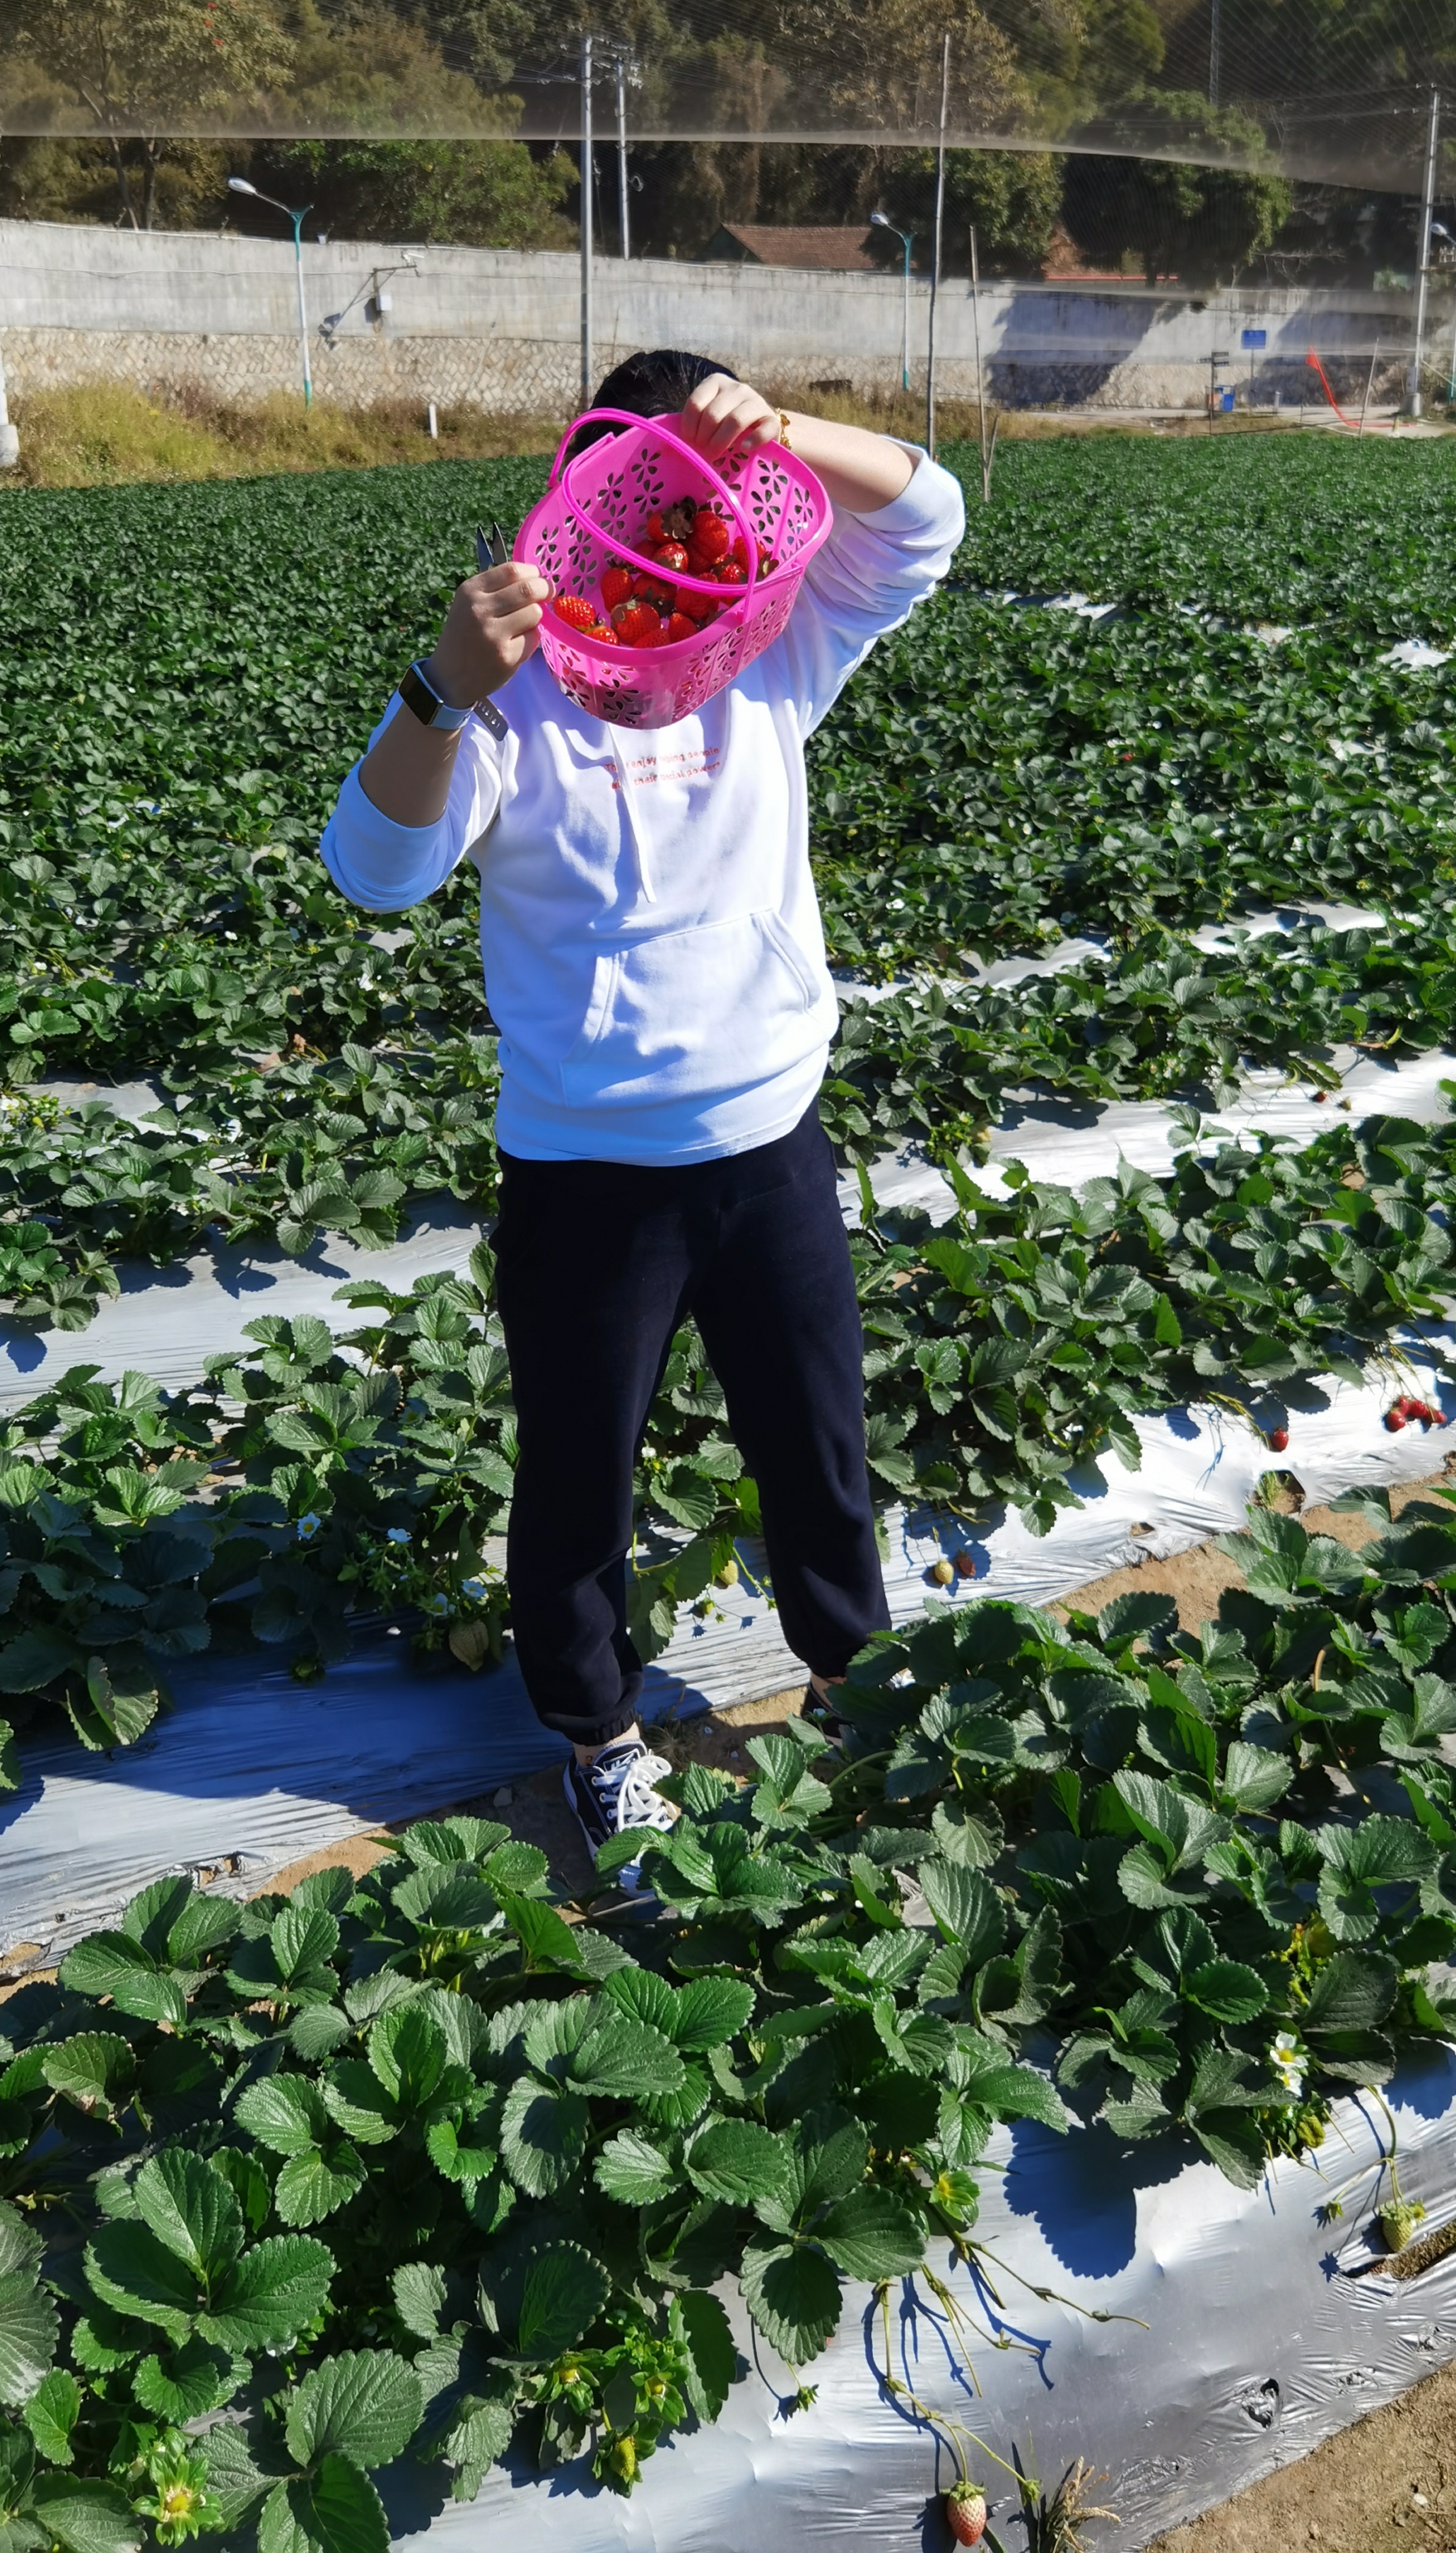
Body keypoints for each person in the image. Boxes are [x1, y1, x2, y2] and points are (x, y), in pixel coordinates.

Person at [320, 351, 964, 1876]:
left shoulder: (774, 650)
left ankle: (850, 1679)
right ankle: (600, 1734)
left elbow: (927, 515)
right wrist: (435, 690)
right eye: (657, 496)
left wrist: (784, 426)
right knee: (577, 1473)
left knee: (816, 1442)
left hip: (772, 1142)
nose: (686, 534)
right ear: (592, 495)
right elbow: (378, 868)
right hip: (589, 1173)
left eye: (715, 500)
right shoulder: (515, 693)